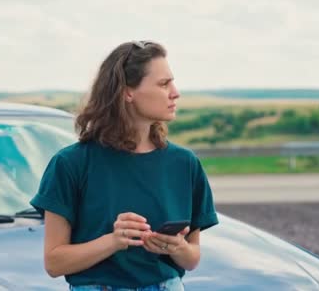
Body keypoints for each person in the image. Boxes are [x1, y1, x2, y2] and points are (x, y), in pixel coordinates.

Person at [30, 40, 218, 290]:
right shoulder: (70, 164)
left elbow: (192, 258)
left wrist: (177, 247)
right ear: (127, 92)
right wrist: (113, 241)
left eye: (172, 81)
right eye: (164, 84)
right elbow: (54, 262)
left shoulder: (185, 164)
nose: (175, 92)